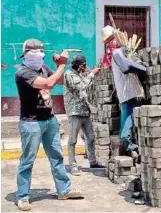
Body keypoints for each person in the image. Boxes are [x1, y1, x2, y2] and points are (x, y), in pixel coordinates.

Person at [15, 39, 83, 211]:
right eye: (36, 52)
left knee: (56, 157)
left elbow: (58, 81)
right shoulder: (23, 72)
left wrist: (57, 65)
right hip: (31, 122)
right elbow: (48, 84)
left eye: (42, 51)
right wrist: (62, 64)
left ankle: (64, 190)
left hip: (49, 119)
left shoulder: (43, 68)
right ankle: (23, 196)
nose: (40, 55)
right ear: (27, 54)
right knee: (27, 161)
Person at [101, 26, 147, 161]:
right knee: (128, 119)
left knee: (127, 118)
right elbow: (126, 67)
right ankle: (130, 146)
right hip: (130, 92)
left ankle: (129, 146)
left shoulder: (114, 53)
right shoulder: (117, 52)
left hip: (127, 91)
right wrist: (143, 68)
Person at [63, 55, 106, 176]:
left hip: (84, 110)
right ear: (77, 64)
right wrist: (91, 74)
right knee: (72, 140)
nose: (85, 67)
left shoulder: (80, 74)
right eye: (83, 65)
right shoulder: (69, 74)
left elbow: (84, 92)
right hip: (74, 112)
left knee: (90, 137)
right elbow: (80, 87)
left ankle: (93, 162)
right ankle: (73, 165)